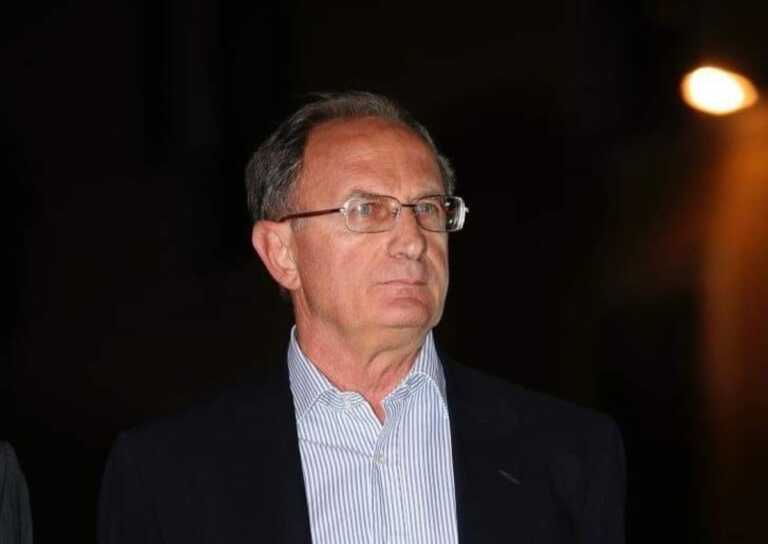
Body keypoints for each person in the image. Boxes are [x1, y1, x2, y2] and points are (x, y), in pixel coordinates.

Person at [98, 92, 625, 543]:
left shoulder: (569, 453)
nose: (412, 241)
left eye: (428, 208)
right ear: (282, 253)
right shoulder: (165, 475)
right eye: (367, 210)